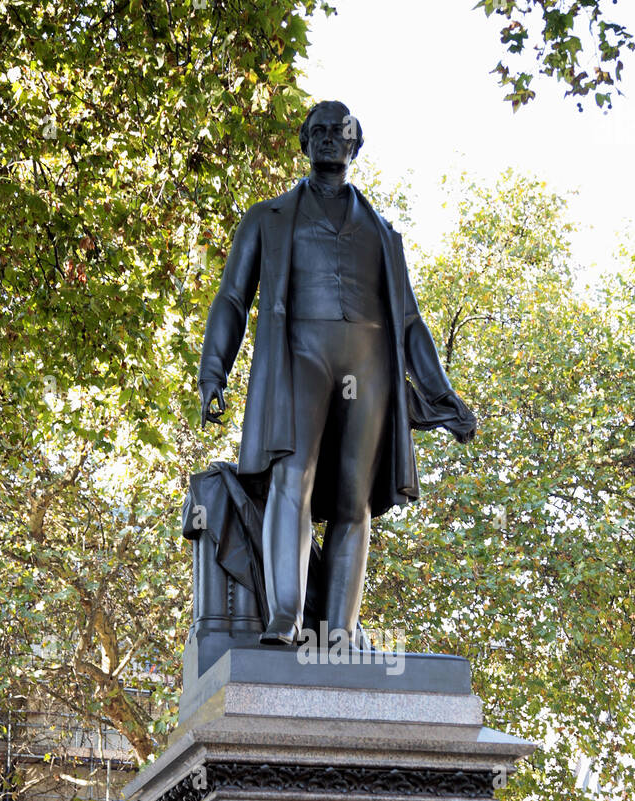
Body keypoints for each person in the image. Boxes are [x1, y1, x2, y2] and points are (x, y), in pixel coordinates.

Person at [198, 100, 475, 644]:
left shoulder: (385, 233)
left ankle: (341, 632)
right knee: (290, 479)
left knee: (354, 498)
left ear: (355, 143)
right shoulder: (267, 218)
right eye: (319, 130)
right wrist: (214, 373)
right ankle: (286, 616)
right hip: (299, 357)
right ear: (304, 142)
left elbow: (411, 322)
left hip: (368, 364)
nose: (329, 138)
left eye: (340, 131)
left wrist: (444, 396)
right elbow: (232, 298)